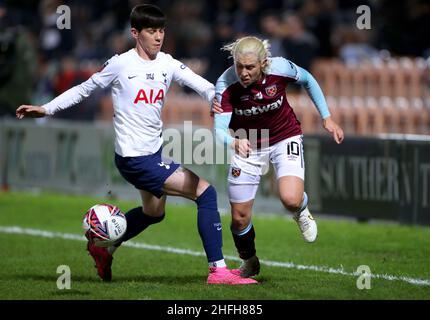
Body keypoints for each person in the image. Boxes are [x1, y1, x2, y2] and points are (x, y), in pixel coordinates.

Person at [16, 4, 256, 285]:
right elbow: (85, 89)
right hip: (135, 157)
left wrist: (215, 98)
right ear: (135, 33)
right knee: (205, 193)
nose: (158, 37)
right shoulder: (121, 64)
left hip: (150, 153)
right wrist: (46, 109)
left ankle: (103, 247)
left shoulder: (166, 62)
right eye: (151, 31)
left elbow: (200, 84)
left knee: (154, 213)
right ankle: (218, 270)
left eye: (162, 31)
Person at [213, 36, 344, 278]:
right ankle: (249, 261)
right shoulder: (226, 83)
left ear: (263, 62)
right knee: (239, 218)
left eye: (250, 67)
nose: (243, 72)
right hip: (247, 145)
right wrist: (233, 141)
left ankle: (301, 210)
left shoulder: (280, 67)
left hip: (285, 137)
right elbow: (218, 129)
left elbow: (308, 80)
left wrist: (326, 116)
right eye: (239, 66)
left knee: (290, 199)